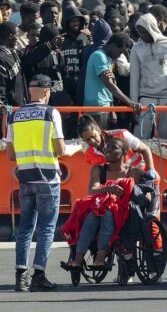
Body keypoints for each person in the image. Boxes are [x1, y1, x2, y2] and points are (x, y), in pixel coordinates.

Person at [6, 74, 69, 292]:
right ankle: (39, 276)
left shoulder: (14, 115)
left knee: (25, 228)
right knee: (46, 228)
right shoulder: (51, 113)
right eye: (50, 90)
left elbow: (11, 154)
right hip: (48, 178)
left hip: (25, 178)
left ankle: (20, 276)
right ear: (45, 91)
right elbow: (60, 150)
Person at [60, 137, 135, 270]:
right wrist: (109, 189)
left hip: (122, 210)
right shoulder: (98, 170)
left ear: (124, 152)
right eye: (107, 147)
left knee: (106, 213)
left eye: (113, 148)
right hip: (99, 207)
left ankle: (101, 255)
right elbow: (92, 190)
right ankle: (78, 258)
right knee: (93, 216)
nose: (108, 150)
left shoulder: (132, 172)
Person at [130, 13, 167, 139]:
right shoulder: (136, 48)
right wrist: (134, 103)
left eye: (145, 31)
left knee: (166, 140)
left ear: (152, 27)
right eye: (140, 32)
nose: (143, 35)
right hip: (145, 99)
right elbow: (134, 78)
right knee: (140, 138)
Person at [83, 33, 140, 129]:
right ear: (113, 46)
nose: (119, 55)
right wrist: (130, 103)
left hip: (104, 107)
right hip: (98, 108)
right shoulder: (99, 56)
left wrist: (111, 109)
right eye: (120, 52)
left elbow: (110, 84)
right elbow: (109, 84)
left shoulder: (107, 59)